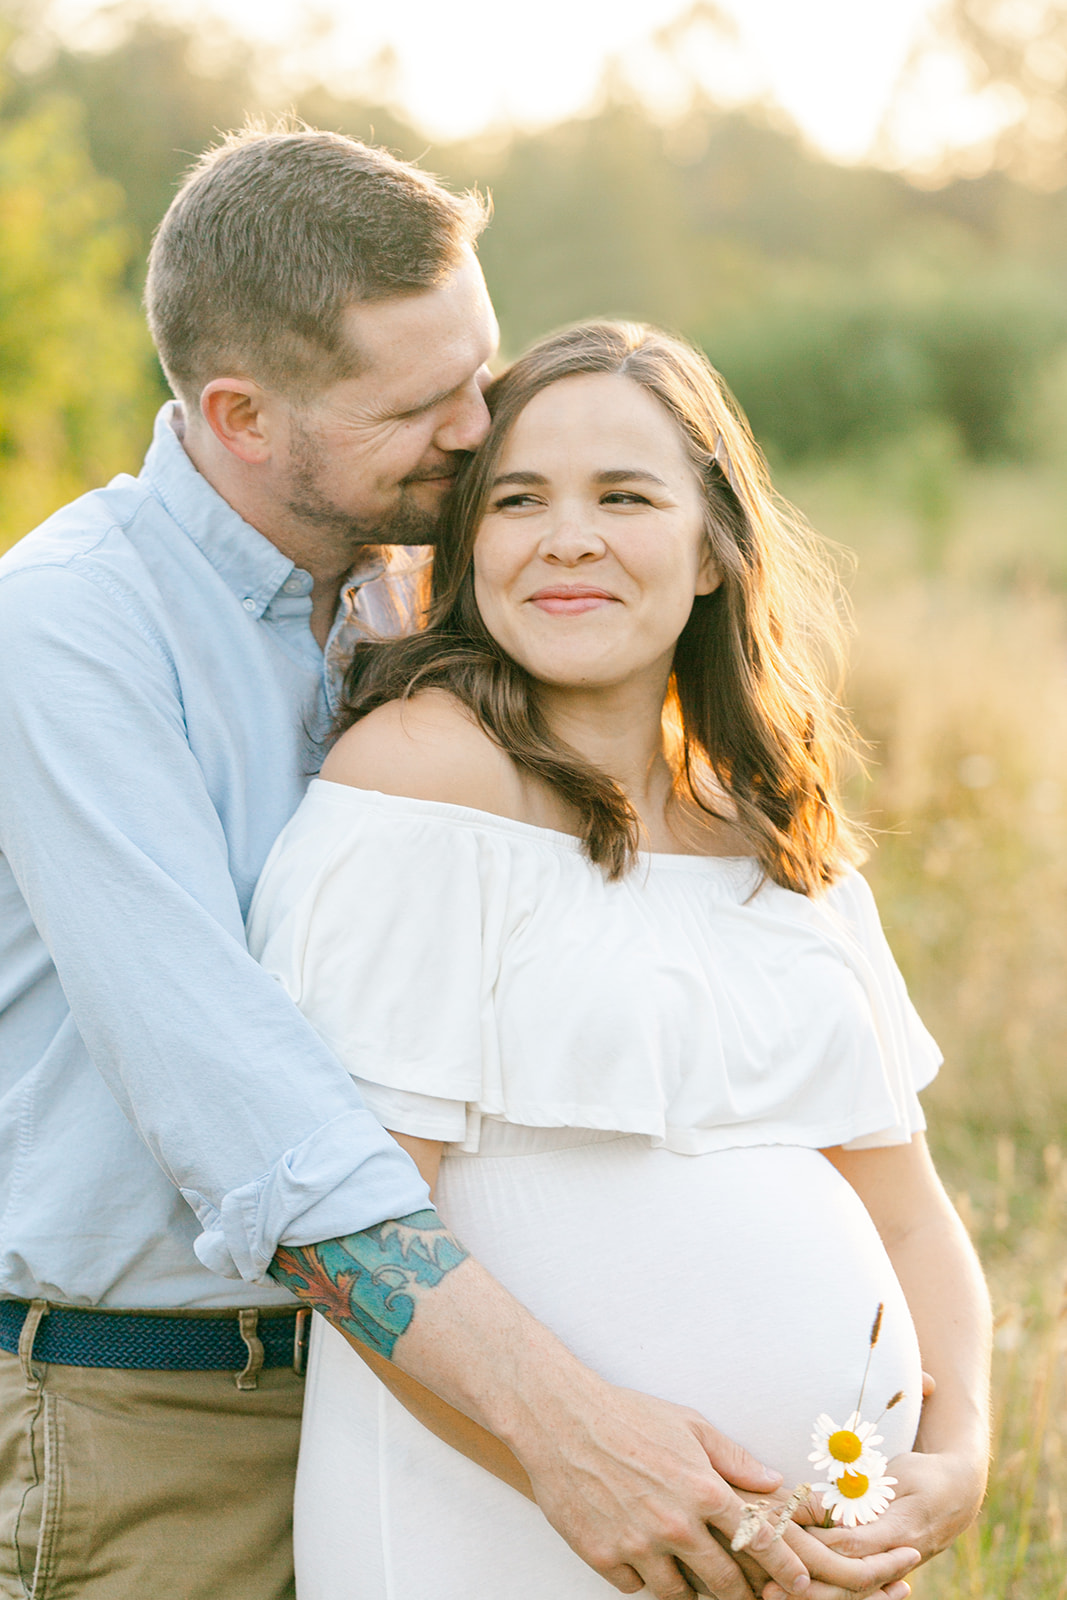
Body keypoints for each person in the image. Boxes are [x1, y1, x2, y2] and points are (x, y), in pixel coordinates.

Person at [0, 126, 906, 1600]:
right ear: (238, 415)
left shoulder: (397, 593)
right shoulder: (67, 634)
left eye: (476, 369)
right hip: (163, 1421)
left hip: (414, 1407)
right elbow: (245, 1110)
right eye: (425, 403)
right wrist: (566, 1431)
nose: (482, 428)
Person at [248, 320, 993, 1600]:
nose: (568, 535)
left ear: (713, 549)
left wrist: (960, 1448)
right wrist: (586, 1472)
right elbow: (355, 1239)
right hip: (495, 1532)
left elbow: (908, 1206)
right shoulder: (419, 785)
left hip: (806, 1563)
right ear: (468, 544)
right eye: (519, 498)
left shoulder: (771, 829)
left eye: (625, 496)